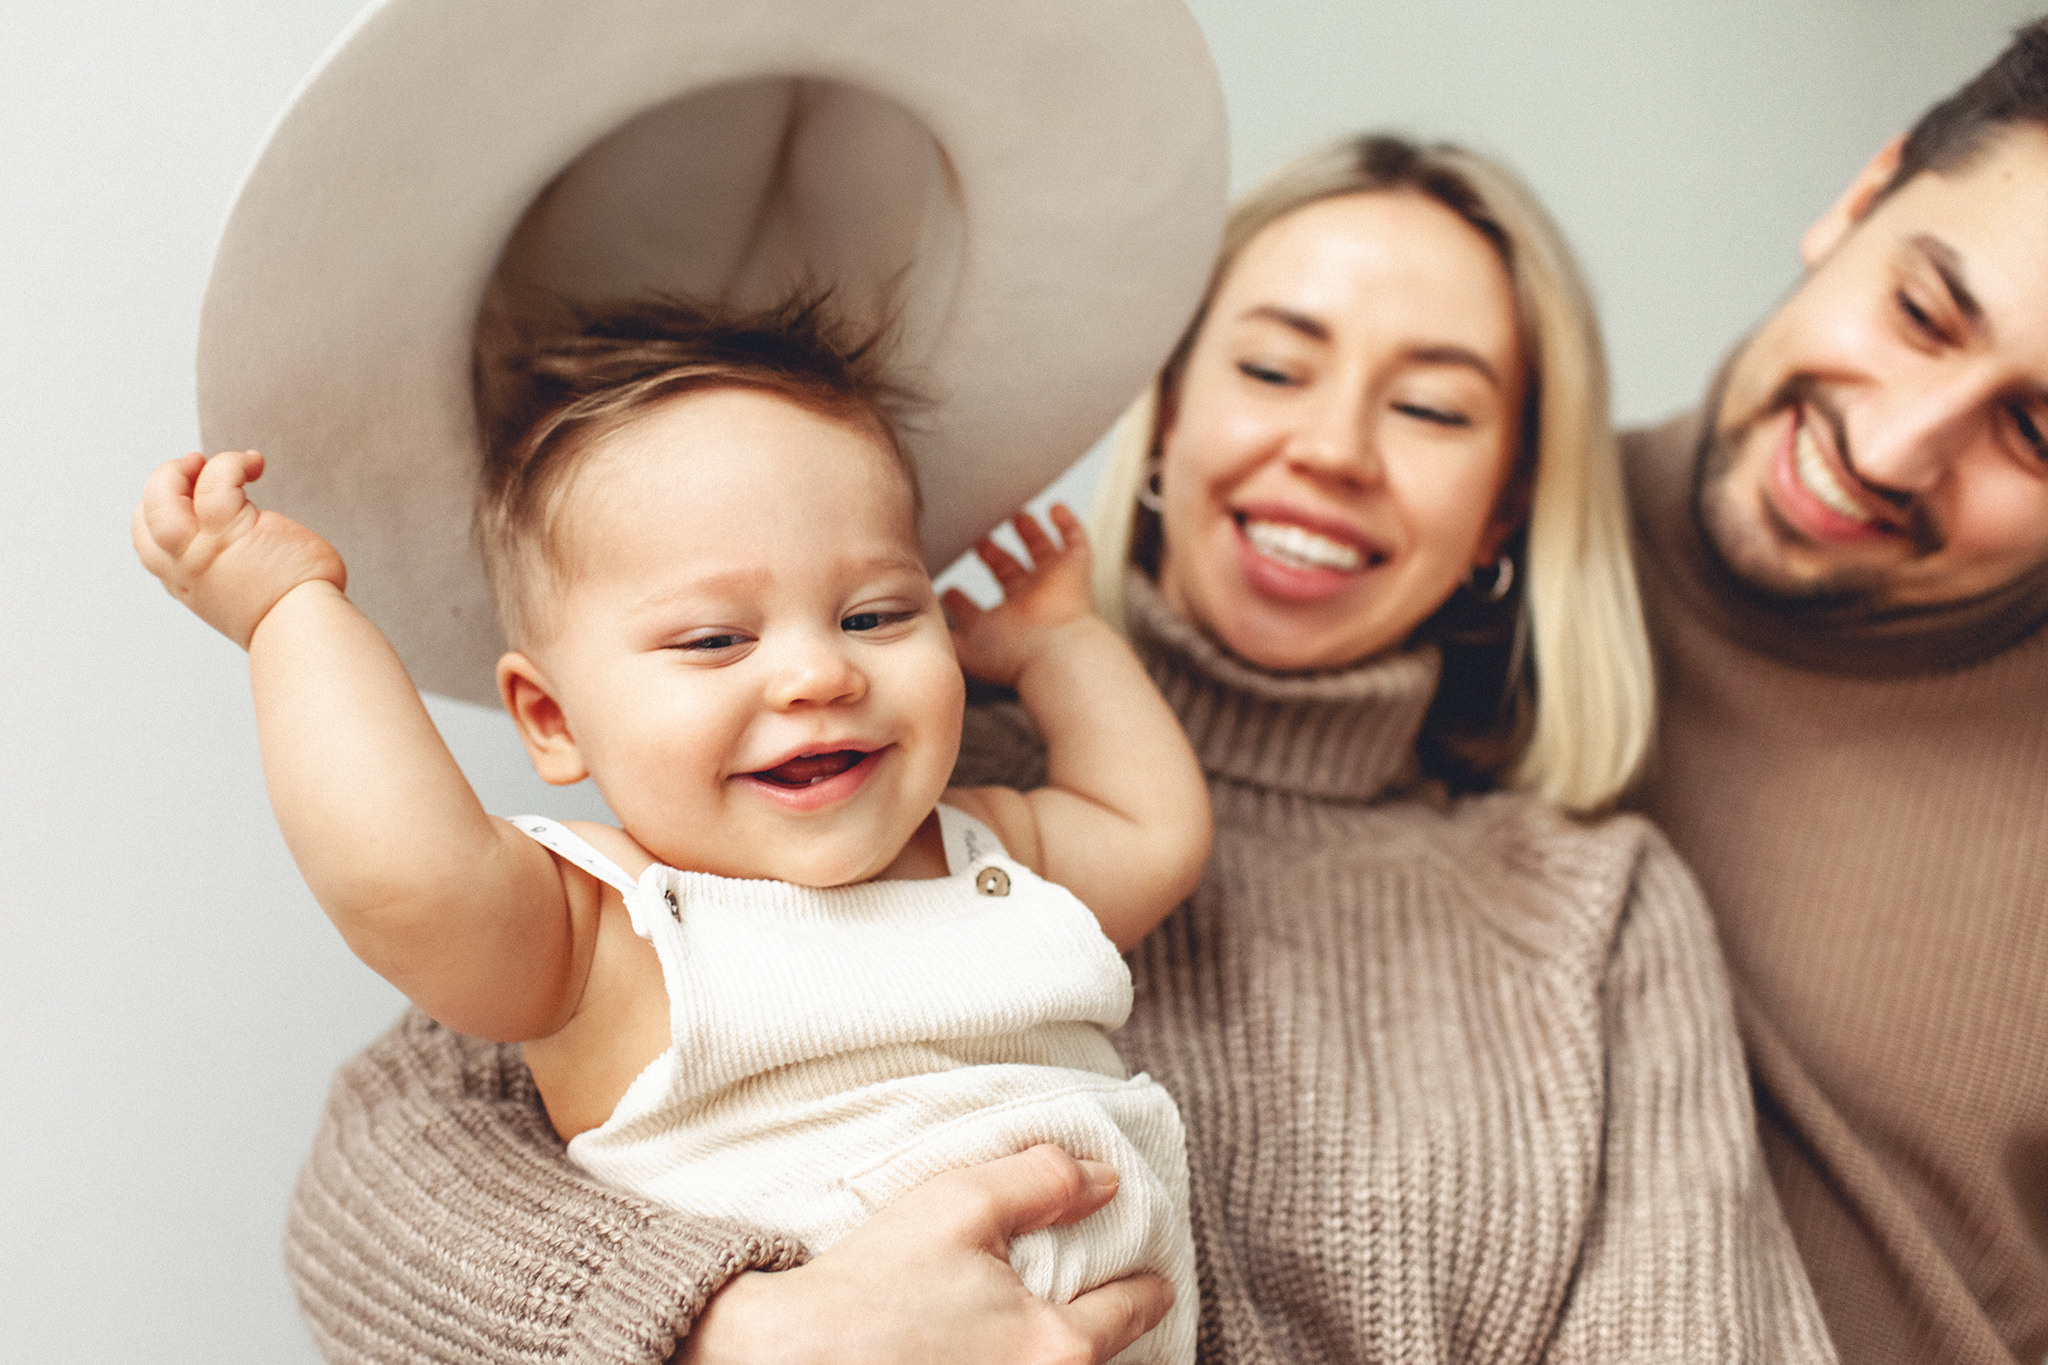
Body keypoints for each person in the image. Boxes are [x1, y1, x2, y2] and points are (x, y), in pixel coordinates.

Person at [281, 136, 1836, 1363]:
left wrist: (1065, 646)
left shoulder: (1585, 911)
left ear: (1505, 501)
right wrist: (737, 1332)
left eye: (1430, 408)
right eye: (1275, 365)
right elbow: (375, 1191)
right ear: (1164, 412)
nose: (1331, 449)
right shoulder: (845, 792)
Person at [135, 297, 1210, 1364]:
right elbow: (402, 876)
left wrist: (1061, 644)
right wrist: (291, 615)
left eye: (874, 615)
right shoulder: (603, 936)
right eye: (712, 639)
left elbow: (1150, 832)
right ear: (552, 721)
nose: (817, 673)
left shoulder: (983, 850)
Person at [1622, 20, 2048, 1365]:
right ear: (1859, 198)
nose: (1895, 444)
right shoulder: (1428, 539)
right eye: (1924, 312)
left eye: (2036, 432)